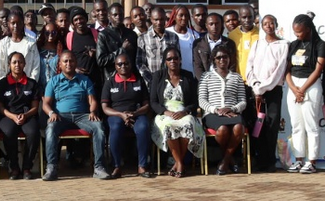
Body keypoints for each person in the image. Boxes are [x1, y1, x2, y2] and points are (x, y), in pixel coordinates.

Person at [41, 51, 111, 181]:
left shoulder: (85, 80)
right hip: (61, 117)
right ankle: (51, 168)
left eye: (71, 61)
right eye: (65, 61)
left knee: (99, 127)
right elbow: (46, 104)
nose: (68, 63)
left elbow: (92, 101)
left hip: (82, 116)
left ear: (76, 63)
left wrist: (93, 112)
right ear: (60, 64)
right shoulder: (53, 81)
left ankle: (99, 167)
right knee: (50, 128)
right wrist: (51, 113)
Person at [150, 47, 202, 178]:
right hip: (165, 113)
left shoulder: (188, 76)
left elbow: (194, 102)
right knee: (168, 126)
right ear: (165, 61)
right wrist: (165, 112)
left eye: (175, 58)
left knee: (188, 124)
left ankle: (177, 164)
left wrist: (185, 112)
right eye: (169, 59)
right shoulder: (158, 76)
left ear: (180, 60)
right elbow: (153, 102)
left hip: (183, 112)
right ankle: (179, 163)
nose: (173, 61)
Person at [284, 14, 325, 174]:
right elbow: (286, 70)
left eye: (299, 32)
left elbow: (318, 70)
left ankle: (312, 162)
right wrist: (294, 88)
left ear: (308, 29)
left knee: (311, 125)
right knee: (296, 125)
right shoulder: (293, 45)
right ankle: (299, 160)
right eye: (295, 32)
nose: (296, 35)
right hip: (293, 86)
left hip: (311, 85)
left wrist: (302, 90)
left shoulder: (320, 45)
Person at [245, 14, 287, 173]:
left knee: (272, 124)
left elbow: (279, 71)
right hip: (256, 90)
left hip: (273, 90)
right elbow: (249, 67)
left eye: (271, 23)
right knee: (257, 125)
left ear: (276, 24)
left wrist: (263, 88)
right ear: (261, 26)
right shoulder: (257, 44)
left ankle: (270, 161)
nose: (269, 26)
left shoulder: (283, 45)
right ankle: (259, 160)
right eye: (265, 24)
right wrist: (256, 86)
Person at [101, 53, 153, 179]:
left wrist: (134, 113)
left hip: (136, 113)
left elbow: (147, 105)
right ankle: (117, 166)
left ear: (131, 64)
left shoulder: (139, 80)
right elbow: (105, 108)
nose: (123, 66)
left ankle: (142, 166)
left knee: (143, 127)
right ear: (115, 66)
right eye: (120, 64)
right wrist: (121, 114)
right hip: (116, 114)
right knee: (115, 128)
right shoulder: (110, 82)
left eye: (126, 63)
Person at [200, 44, 247, 175]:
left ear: (229, 58)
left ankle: (224, 161)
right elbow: (202, 100)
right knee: (222, 130)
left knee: (239, 127)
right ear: (214, 60)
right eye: (219, 57)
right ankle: (230, 160)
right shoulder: (206, 76)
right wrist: (216, 110)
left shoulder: (236, 77)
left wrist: (232, 108)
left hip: (232, 112)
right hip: (212, 114)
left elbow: (243, 101)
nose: (222, 60)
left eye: (225, 57)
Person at [0, 52, 42, 180]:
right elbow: (0, 107)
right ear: (9, 65)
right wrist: (13, 116)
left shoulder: (32, 83)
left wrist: (25, 115)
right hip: (7, 116)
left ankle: (27, 167)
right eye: (14, 62)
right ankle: (14, 167)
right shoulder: (2, 83)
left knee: (33, 132)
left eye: (20, 62)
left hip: (28, 115)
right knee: (9, 131)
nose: (17, 65)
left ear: (24, 64)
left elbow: (35, 107)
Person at [0, 10, 42, 82]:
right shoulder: (3, 44)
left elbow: (36, 67)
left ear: (23, 24)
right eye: (13, 23)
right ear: (8, 24)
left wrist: (31, 84)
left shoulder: (31, 43)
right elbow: (0, 68)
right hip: (8, 85)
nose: (16, 26)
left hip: (27, 85)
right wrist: (4, 84)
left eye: (19, 23)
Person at [97, 3, 138, 80]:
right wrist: (122, 50)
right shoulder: (103, 35)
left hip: (131, 77)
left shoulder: (132, 34)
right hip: (112, 78)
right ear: (109, 16)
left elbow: (136, 58)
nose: (118, 17)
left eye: (121, 14)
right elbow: (101, 61)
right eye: (115, 15)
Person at [137, 6, 177, 80]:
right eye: (156, 20)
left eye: (161, 19)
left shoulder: (173, 36)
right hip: (151, 79)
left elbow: (178, 60)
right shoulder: (143, 37)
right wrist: (150, 79)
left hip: (169, 79)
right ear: (151, 19)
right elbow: (140, 63)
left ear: (165, 19)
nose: (159, 22)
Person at [192, 13, 235, 78]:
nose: (214, 27)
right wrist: (205, 82)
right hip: (205, 81)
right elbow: (197, 67)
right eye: (211, 24)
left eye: (217, 24)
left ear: (221, 24)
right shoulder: (198, 43)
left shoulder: (229, 43)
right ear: (206, 25)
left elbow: (232, 65)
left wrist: (225, 80)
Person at [229, 5, 259, 77]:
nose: (247, 20)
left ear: (254, 17)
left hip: (256, 78)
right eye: (244, 17)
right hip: (238, 78)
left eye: (250, 17)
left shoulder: (260, 34)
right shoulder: (232, 35)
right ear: (239, 18)